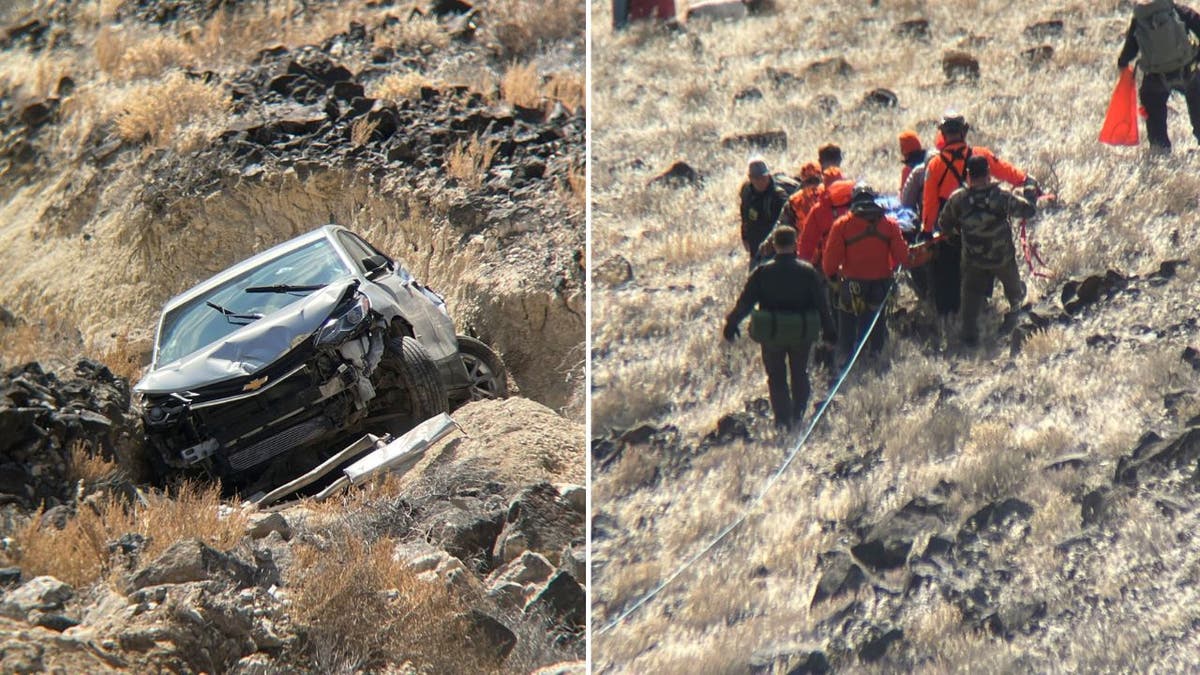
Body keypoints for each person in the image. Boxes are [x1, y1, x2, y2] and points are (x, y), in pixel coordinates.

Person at [920, 113, 1036, 335]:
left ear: (943, 135)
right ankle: (1009, 315)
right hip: (992, 237)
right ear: (964, 132)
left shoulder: (934, 165)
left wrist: (927, 233)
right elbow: (1008, 172)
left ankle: (962, 327)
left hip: (955, 232)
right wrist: (1026, 181)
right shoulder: (980, 155)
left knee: (956, 279)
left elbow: (929, 205)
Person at [724, 226, 836, 427]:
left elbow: (745, 303)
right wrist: (829, 333)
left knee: (776, 377)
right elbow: (822, 306)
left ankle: (783, 421)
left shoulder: (762, 272)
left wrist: (731, 324)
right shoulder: (808, 272)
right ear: (795, 244)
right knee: (800, 373)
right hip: (801, 333)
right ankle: (798, 414)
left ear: (774, 245)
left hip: (772, 334)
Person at [937, 156, 1039, 346]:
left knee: (969, 308)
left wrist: (957, 234)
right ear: (988, 174)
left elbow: (944, 225)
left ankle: (969, 343)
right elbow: (1029, 211)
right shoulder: (1001, 196)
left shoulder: (958, 199)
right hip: (1003, 259)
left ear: (968, 176)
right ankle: (1014, 326)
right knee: (1016, 296)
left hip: (973, 262)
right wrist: (1030, 190)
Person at [822, 187, 917, 368]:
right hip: (880, 284)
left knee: (847, 329)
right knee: (876, 325)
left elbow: (829, 265)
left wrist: (833, 278)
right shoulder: (889, 224)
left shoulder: (842, 225)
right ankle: (876, 362)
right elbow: (903, 258)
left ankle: (846, 364)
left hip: (851, 286)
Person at [1116, 0, 1200, 152]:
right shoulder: (1178, 11)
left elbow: (1130, 49)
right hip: (1187, 71)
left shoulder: (1139, 18)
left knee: (1153, 107)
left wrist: (1122, 63)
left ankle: (1159, 147)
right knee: (1197, 102)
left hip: (1156, 77)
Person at [739, 156, 790, 268]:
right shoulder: (746, 191)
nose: (762, 181)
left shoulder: (778, 196)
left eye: (764, 177)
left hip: (773, 252)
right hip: (755, 249)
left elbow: (785, 224)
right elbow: (744, 213)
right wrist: (744, 236)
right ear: (750, 178)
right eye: (757, 178)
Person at [797, 178, 855, 272]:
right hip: (861, 264)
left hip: (831, 263)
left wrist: (802, 265)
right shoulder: (860, 206)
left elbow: (807, 240)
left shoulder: (819, 208)